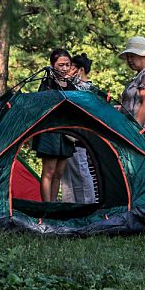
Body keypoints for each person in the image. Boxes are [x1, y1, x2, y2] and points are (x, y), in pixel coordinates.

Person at [34, 48, 77, 201]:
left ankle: (52, 205)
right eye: (61, 65)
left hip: (66, 134)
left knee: (59, 173)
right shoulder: (48, 83)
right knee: (49, 171)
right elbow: (40, 106)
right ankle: (45, 207)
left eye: (67, 65)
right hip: (50, 132)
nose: (65, 68)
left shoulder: (72, 87)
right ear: (52, 65)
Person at [61, 53, 98, 203]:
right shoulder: (77, 87)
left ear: (79, 70)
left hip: (80, 136)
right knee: (69, 175)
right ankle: (71, 205)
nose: (68, 70)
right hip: (71, 135)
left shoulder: (86, 89)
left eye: (71, 67)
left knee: (81, 172)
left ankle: (88, 204)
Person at [119, 36, 145, 132]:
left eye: (132, 56)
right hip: (127, 129)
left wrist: (135, 131)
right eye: (128, 56)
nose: (129, 60)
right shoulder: (140, 76)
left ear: (143, 55)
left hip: (141, 135)